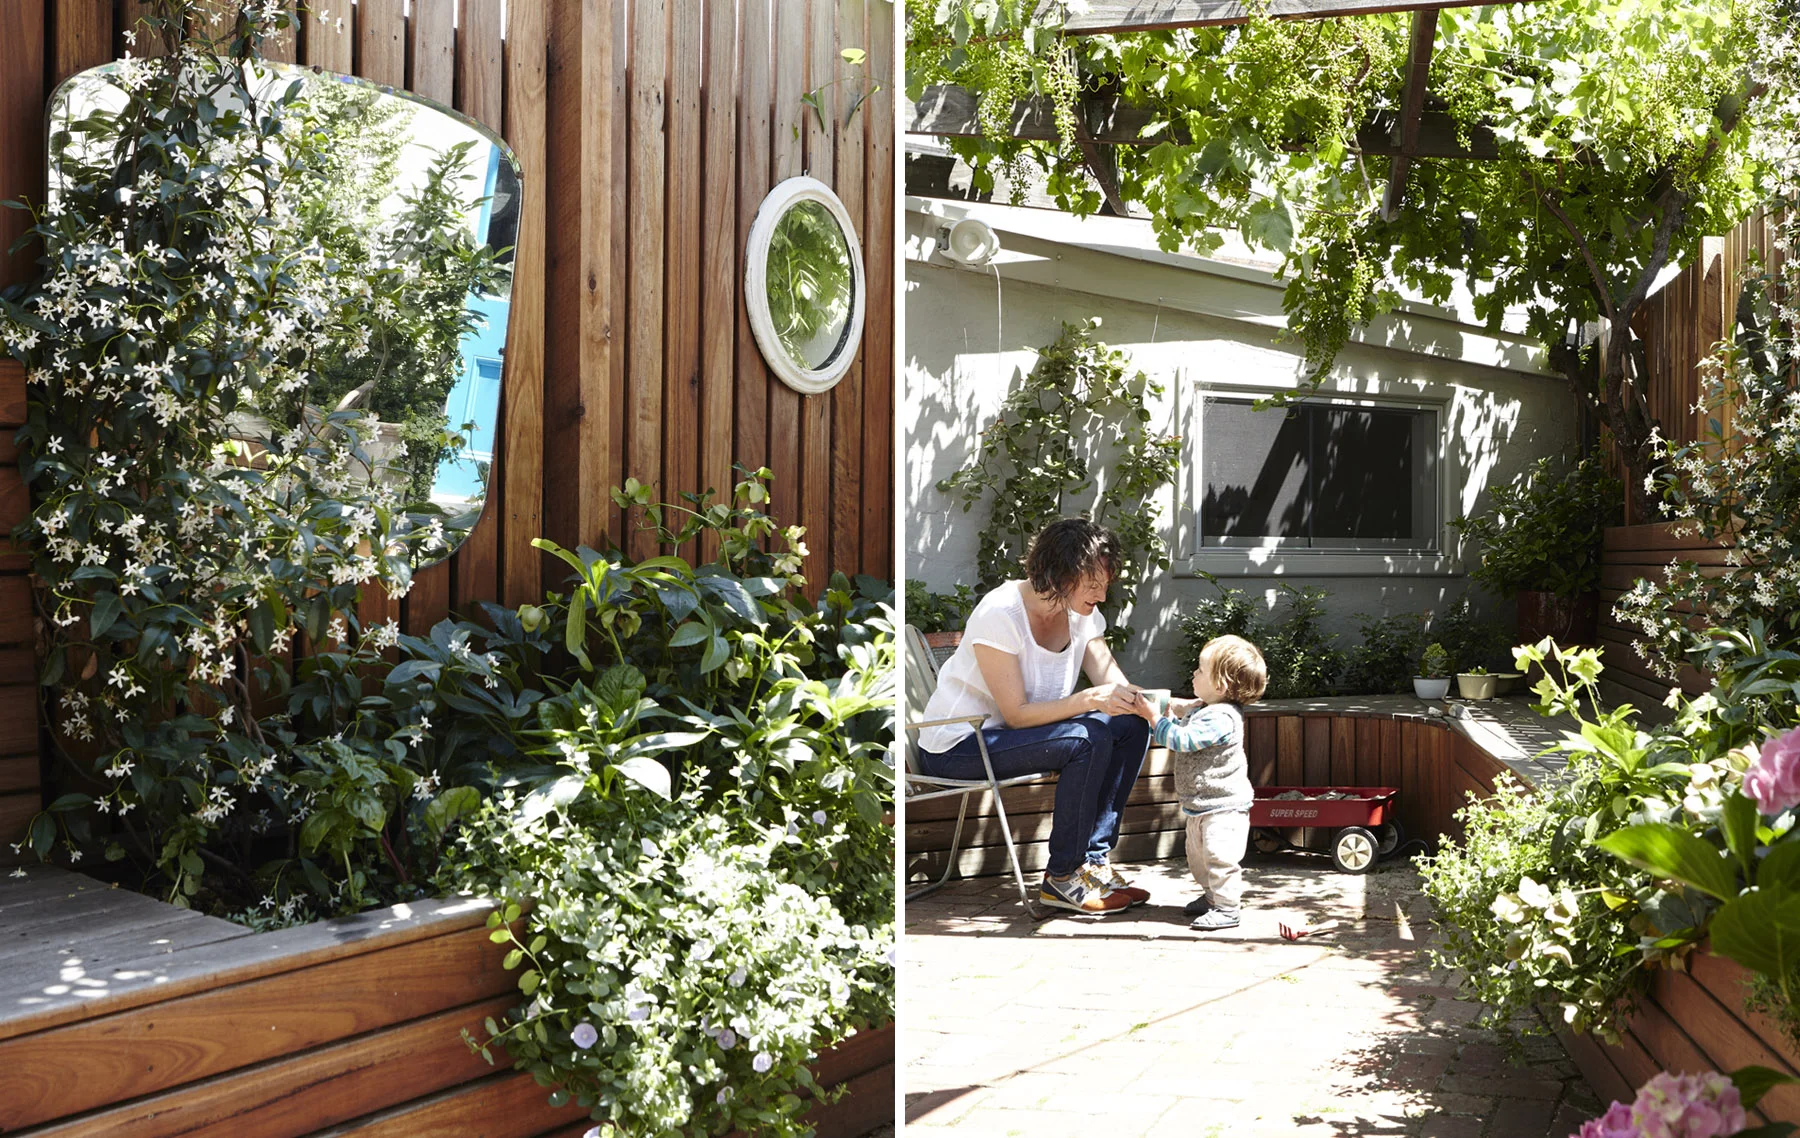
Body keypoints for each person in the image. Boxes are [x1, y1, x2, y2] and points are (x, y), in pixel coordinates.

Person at [915, 518, 1152, 915]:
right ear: (1060, 572)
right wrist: (1090, 699)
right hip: (958, 744)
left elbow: (1117, 687)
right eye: (1092, 581)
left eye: (1106, 581)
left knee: (1129, 724)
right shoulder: (1001, 613)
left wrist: (1165, 706)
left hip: (1017, 739)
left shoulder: (1082, 614)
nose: (1102, 592)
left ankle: (1092, 864)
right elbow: (1017, 715)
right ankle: (1062, 877)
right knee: (1086, 737)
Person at [1131, 633, 1268, 931]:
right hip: (1200, 804)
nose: (1194, 673)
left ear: (1220, 685)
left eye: (1200, 670)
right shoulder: (1207, 708)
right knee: (1199, 860)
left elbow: (1183, 739)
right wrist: (1168, 709)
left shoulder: (1222, 718)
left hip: (1223, 806)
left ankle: (1228, 908)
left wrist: (1156, 720)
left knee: (1220, 858)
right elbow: (1185, 713)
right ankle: (1212, 897)